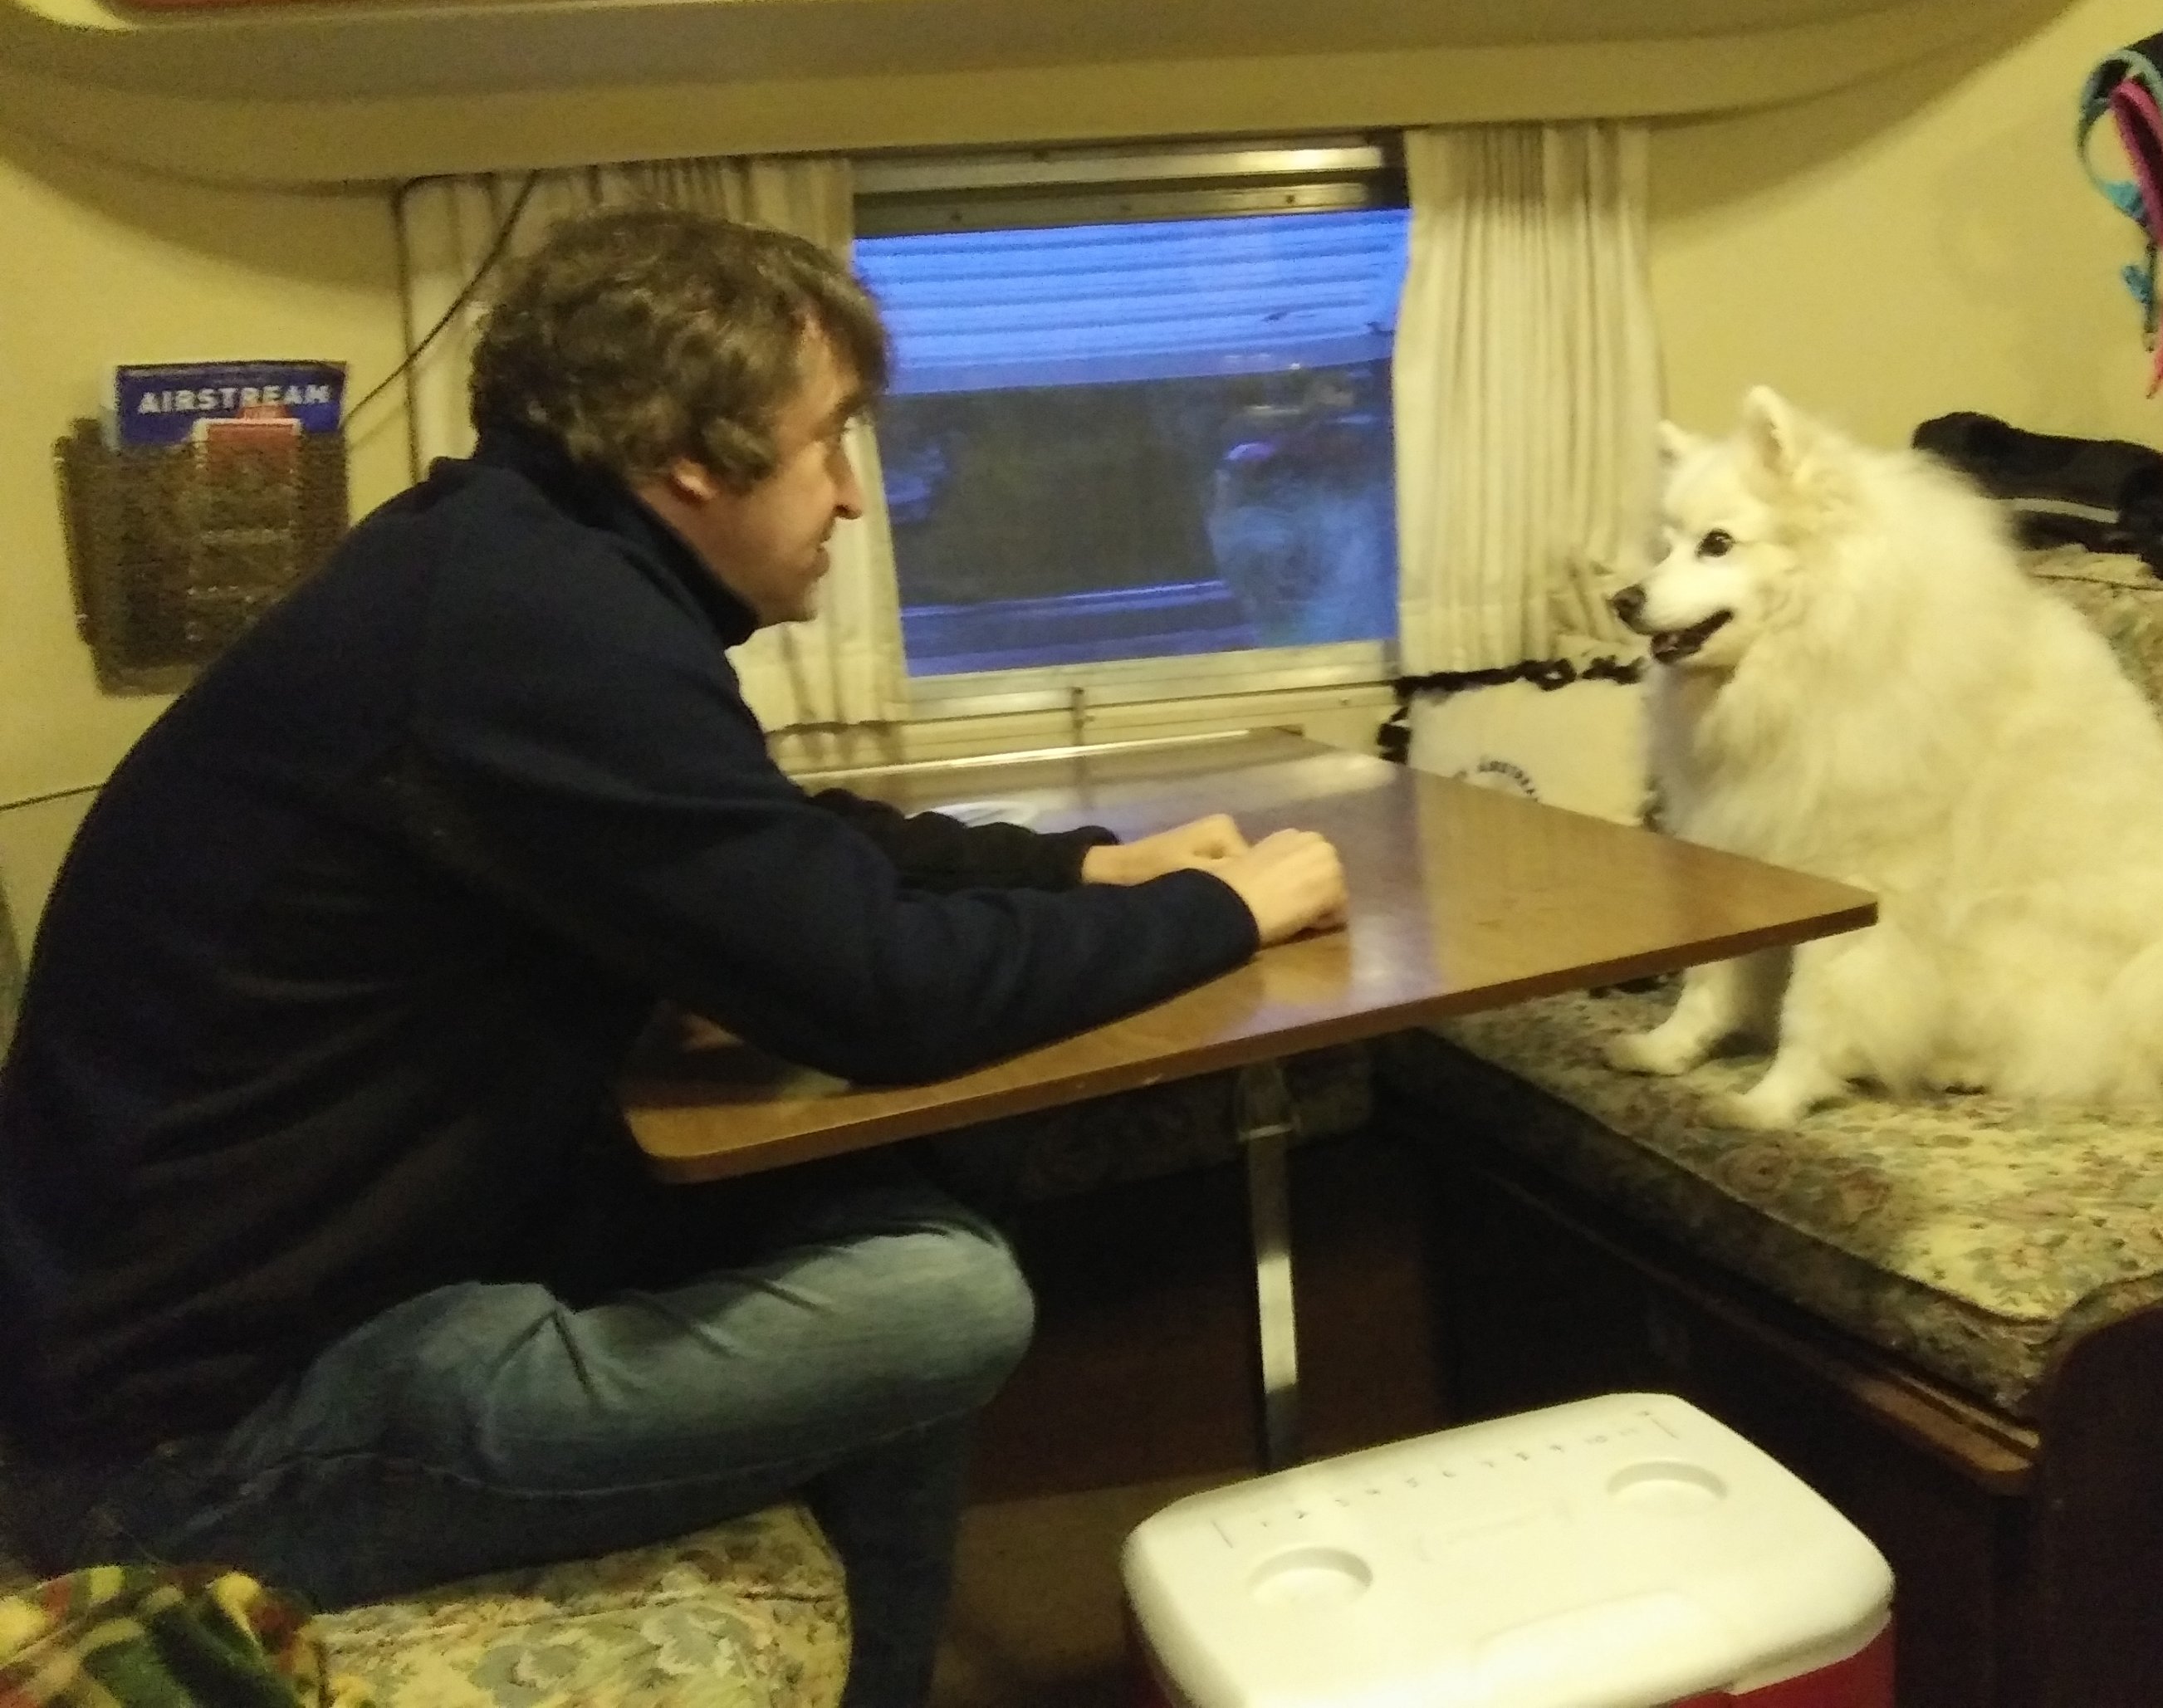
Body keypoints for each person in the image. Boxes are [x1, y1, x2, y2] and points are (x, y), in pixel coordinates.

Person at [0, 207, 1347, 1708]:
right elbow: (886, 991)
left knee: (904, 1202)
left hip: (344, 1290)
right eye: (829, 440)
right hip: (193, 1447)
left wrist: (1083, 869)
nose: (853, 494)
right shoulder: (539, 628)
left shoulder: (511, 574)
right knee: (942, 1302)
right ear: (694, 459)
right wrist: (1229, 913)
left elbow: (761, 838)